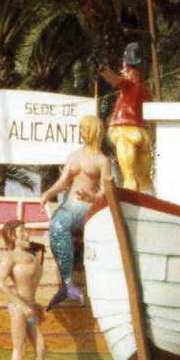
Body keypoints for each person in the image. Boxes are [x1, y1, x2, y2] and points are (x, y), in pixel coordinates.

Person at [40, 113, 112, 308]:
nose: (80, 132)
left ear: (93, 131)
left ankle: (68, 285)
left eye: (83, 129)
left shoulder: (102, 160)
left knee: (60, 224)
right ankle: (68, 284)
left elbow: (107, 191)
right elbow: (63, 182)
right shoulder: (74, 156)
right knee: (55, 226)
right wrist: (48, 192)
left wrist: (92, 198)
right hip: (69, 204)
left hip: (87, 208)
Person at [0, 220, 49, 360]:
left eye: (26, 230)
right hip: (18, 309)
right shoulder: (10, 257)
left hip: (30, 309)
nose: (27, 234)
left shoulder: (31, 256)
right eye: (22, 231)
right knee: (20, 347)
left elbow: (30, 288)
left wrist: (35, 305)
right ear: (12, 235)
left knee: (41, 347)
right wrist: (22, 305)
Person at [97, 42, 153, 193]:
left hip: (124, 131)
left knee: (129, 176)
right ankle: (149, 196)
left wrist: (102, 68)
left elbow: (114, 79)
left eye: (124, 68)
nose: (122, 71)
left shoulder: (128, 85)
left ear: (128, 69)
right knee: (144, 177)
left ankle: (131, 198)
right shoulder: (145, 91)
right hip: (141, 132)